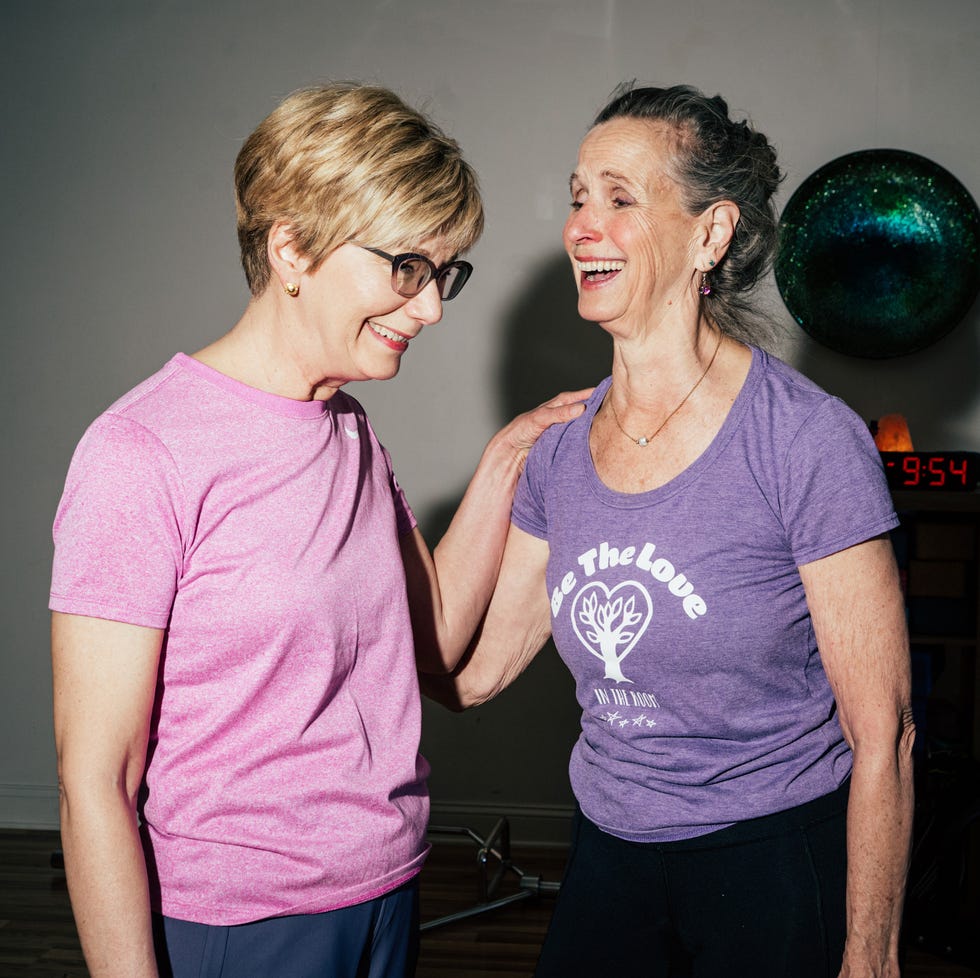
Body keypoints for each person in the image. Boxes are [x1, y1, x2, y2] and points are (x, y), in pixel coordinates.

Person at [49, 82, 586, 978]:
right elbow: (94, 784)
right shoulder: (140, 452)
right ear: (291, 246)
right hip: (245, 925)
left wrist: (507, 460)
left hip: (387, 889)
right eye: (406, 267)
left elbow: (436, 635)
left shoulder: (347, 430)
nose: (430, 308)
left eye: (443, 274)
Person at [423, 84, 914, 978]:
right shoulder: (560, 449)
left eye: (619, 197)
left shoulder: (804, 440)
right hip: (611, 852)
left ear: (710, 233)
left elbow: (883, 731)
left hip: (766, 858)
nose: (582, 226)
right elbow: (473, 673)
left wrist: (870, 956)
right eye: (577, 197)